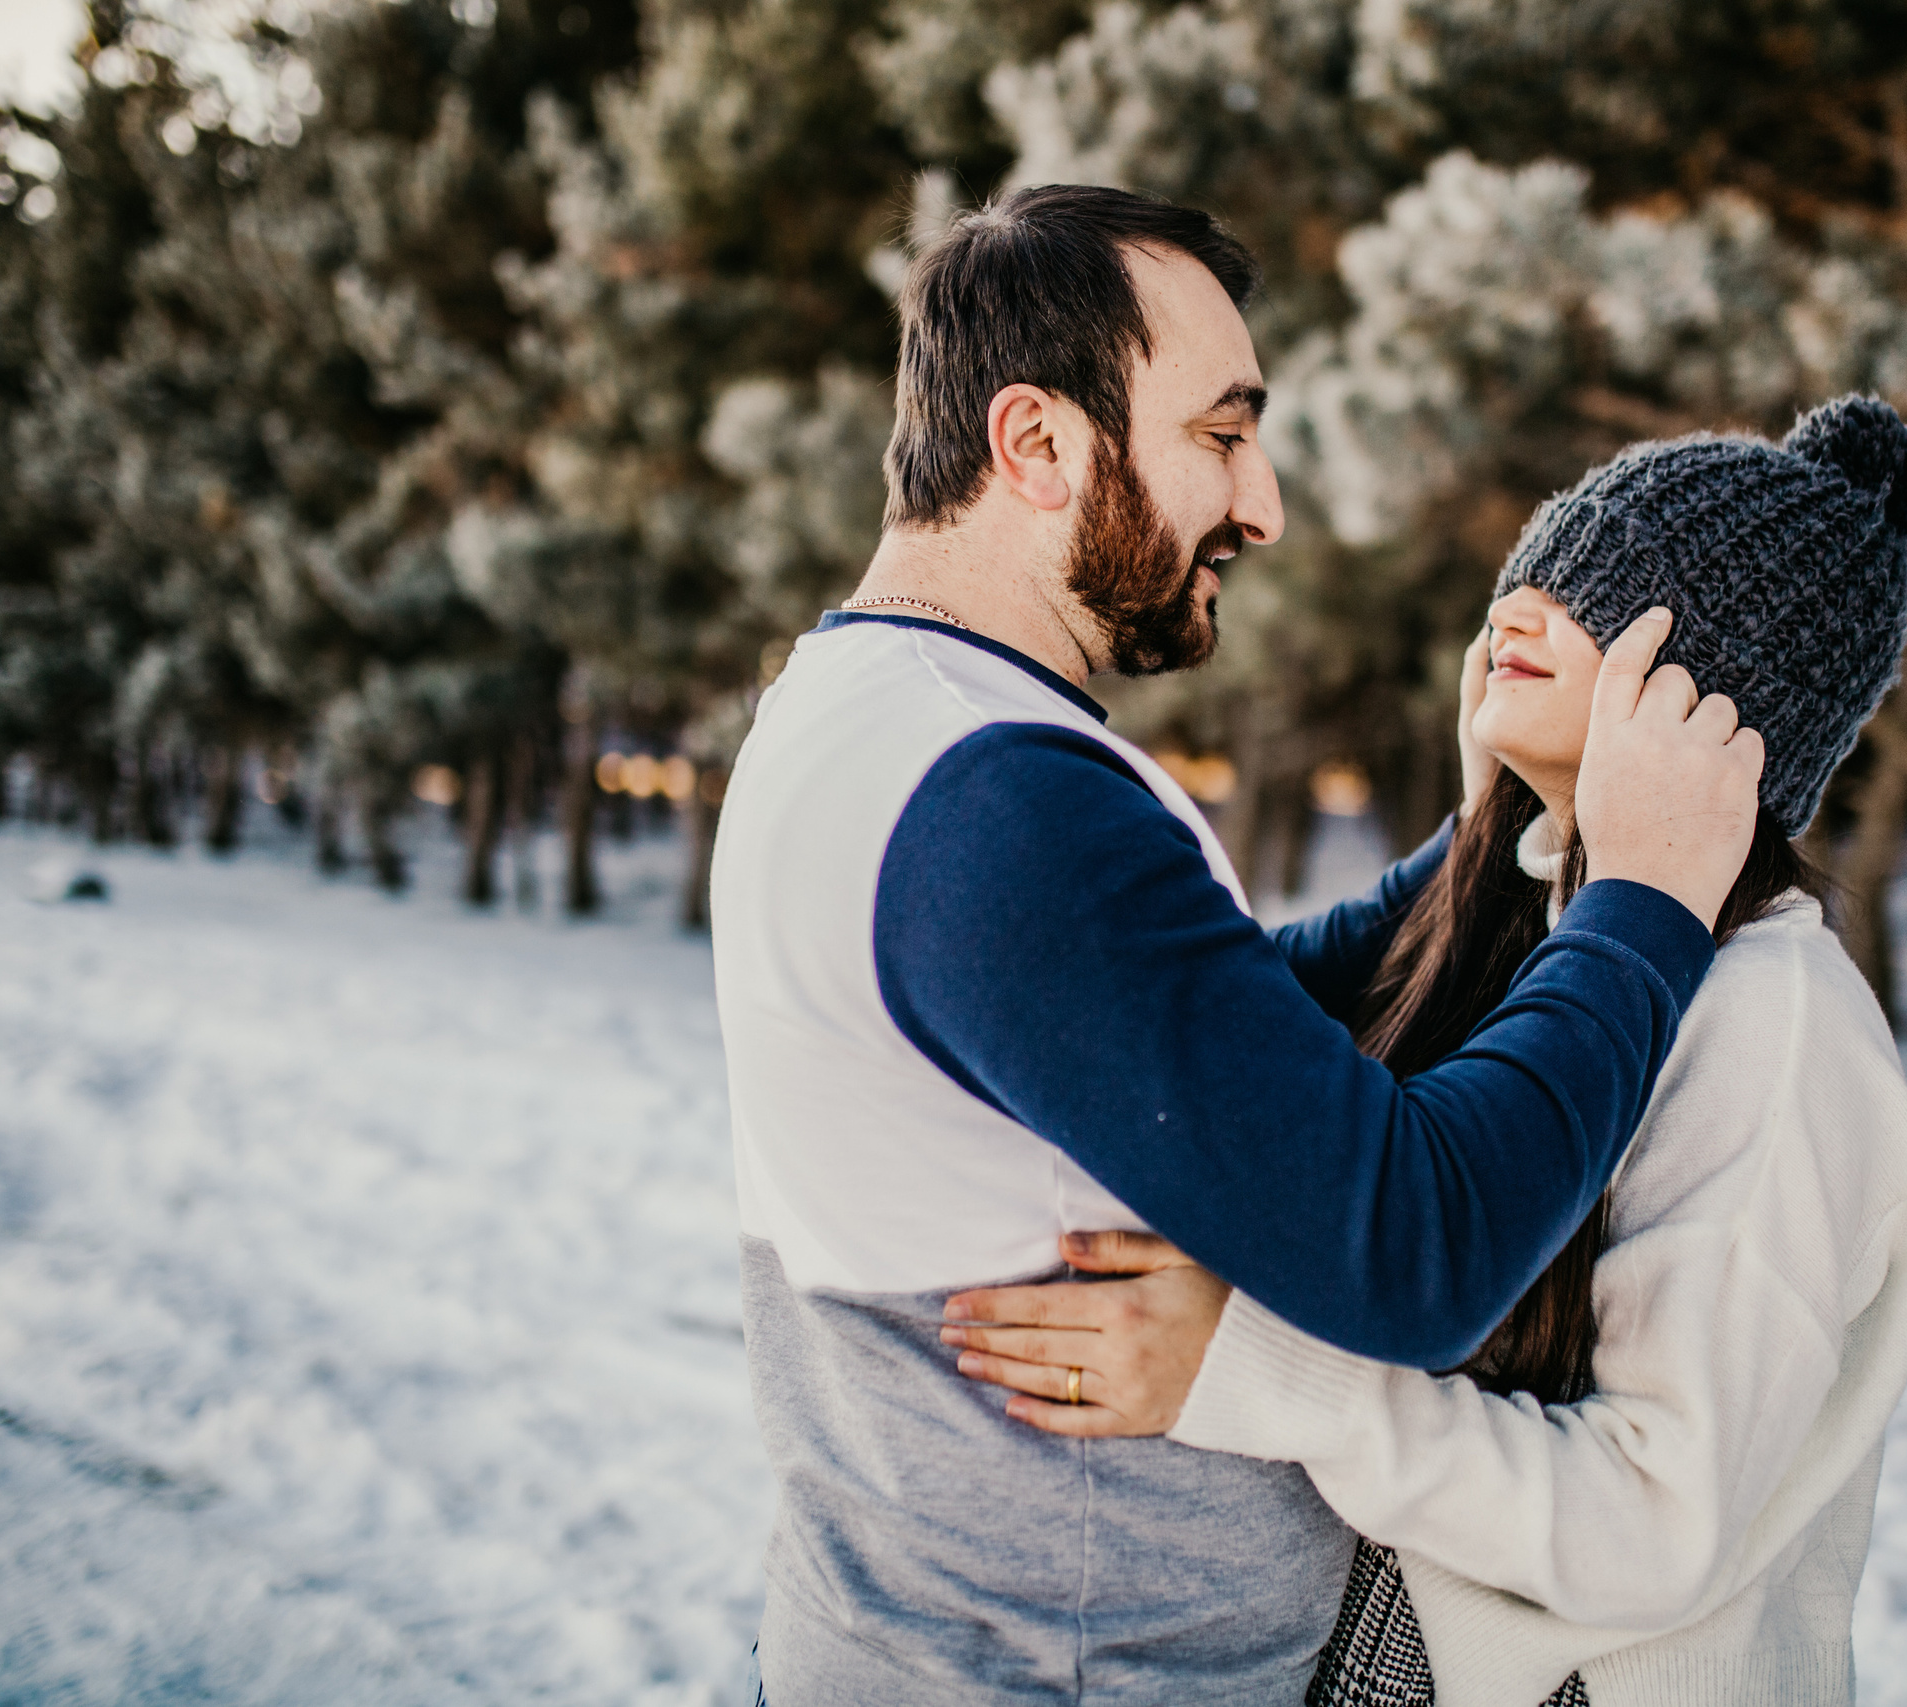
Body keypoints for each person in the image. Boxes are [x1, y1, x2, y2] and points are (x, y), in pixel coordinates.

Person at [709, 183, 1763, 1703]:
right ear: (1038, 444)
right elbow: (1416, 1249)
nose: (1261, 504)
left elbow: (1208, 1024)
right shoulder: (1003, 808)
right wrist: (1650, 903)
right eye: (1219, 434)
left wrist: (1492, 839)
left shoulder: (869, 715)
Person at [945, 398, 1907, 1706]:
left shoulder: (1771, 1025)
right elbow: (1272, 1023)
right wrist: (1490, 817)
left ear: (1721, 688)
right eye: (1532, 569)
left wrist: (1248, 1369)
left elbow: (1649, 1525)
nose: (1517, 609)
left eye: (1600, 593)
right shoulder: (1554, 925)